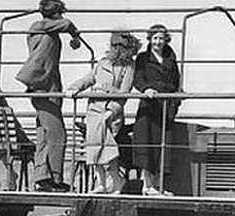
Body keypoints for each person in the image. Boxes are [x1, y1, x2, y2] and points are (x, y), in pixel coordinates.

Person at [15, 0, 82, 193]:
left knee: (44, 133)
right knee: (57, 133)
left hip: (49, 86)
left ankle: (44, 177)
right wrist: (74, 34)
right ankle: (52, 178)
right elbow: (67, 23)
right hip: (41, 85)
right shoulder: (39, 26)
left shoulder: (48, 31)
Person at [70, 31, 140, 194]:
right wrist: (74, 87)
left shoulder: (129, 67)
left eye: (120, 46)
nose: (116, 49)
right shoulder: (102, 63)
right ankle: (101, 182)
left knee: (108, 148)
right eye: (114, 45)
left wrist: (112, 111)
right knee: (94, 147)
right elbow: (89, 78)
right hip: (94, 109)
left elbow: (124, 92)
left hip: (110, 112)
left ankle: (117, 181)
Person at [132, 24, 181, 195]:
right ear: (150, 39)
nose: (158, 42)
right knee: (149, 144)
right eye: (155, 38)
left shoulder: (171, 59)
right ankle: (147, 186)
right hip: (150, 106)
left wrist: (178, 97)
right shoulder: (143, 58)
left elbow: (176, 81)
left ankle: (159, 186)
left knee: (163, 146)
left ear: (165, 39)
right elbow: (137, 78)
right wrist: (146, 89)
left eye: (161, 38)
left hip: (166, 107)